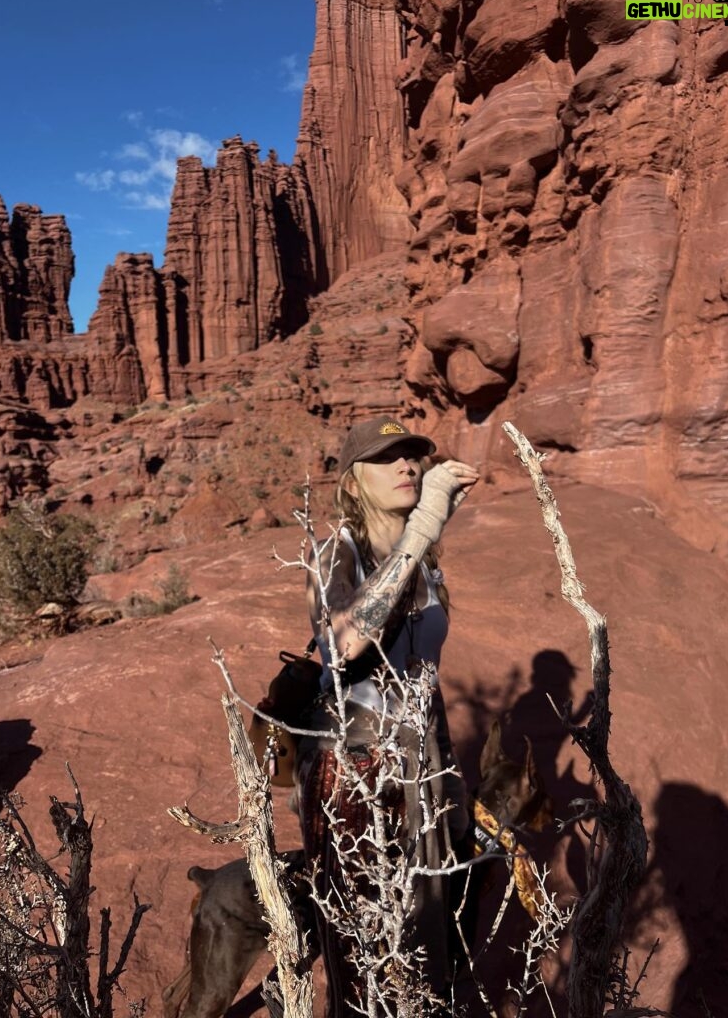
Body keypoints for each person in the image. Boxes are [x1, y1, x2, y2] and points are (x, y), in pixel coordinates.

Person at [295, 416, 479, 1017]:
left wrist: (449, 777)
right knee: (365, 953)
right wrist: (422, 528)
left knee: (429, 948)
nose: (408, 466)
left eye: (413, 456)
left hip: (422, 774)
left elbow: (425, 683)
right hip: (354, 774)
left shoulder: (426, 562)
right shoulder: (336, 554)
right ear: (352, 482)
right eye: (387, 458)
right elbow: (342, 644)